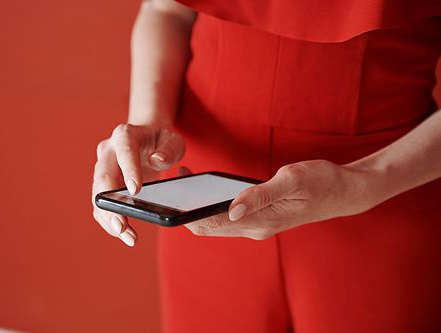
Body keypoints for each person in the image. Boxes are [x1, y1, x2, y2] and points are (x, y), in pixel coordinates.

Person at [92, 0, 441, 331]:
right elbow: (166, 9)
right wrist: (150, 123)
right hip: (205, 192)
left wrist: (367, 181)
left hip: (384, 189)